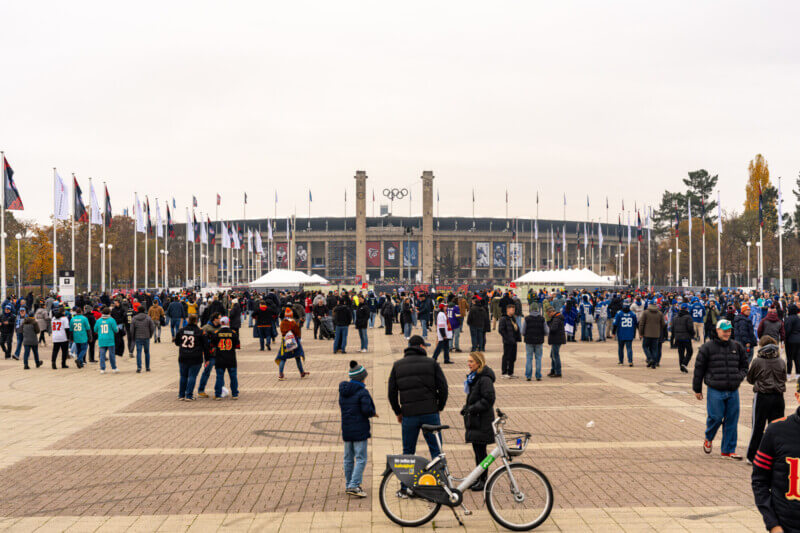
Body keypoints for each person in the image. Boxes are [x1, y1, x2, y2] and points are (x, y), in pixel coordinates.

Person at [693, 319, 748, 460]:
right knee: (716, 418)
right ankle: (709, 437)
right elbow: (699, 369)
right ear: (717, 331)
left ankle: (728, 450)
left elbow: (744, 365)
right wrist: (697, 389)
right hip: (715, 389)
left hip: (733, 389)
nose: (727, 333)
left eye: (729, 330)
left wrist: (739, 377)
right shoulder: (707, 348)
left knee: (731, 420)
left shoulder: (737, 346)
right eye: (724, 330)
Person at [388, 335, 448, 461]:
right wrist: (439, 407)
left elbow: (391, 393)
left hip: (409, 414)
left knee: (408, 452)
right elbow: (443, 388)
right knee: (436, 450)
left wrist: (398, 411)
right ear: (421, 346)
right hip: (430, 412)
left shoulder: (398, 365)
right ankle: (440, 478)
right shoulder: (432, 363)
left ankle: (407, 481)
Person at [751, 380, 800, 532]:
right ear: (798, 397)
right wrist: (773, 524)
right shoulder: (776, 431)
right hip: (788, 526)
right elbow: (759, 480)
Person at [746, 335, 787, 464]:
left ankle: (752, 456)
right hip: (778, 397)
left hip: (762, 396)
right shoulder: (781, 361)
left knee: (757, 427)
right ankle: (776, 456)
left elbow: (750, 378)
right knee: (777, 428)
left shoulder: (757, 361)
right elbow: (784, 377)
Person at [339, 360, 376, 498]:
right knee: (361, 458)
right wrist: (372, 412)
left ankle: (349, 484)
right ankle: (354, 485)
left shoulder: (343, 392)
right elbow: (366, 410)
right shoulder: (362, 392)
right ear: (361, 377)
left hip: (347, 428)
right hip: (360, 429)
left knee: (348, 458)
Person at [461, 351, 496, 492]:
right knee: (478, 451)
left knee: (481, 452)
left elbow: (488, 399)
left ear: (478, 363)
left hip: (482, 420)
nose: (468, 364)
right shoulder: (474, 377)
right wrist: (466, 408)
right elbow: (473, 397)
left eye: (471, 362)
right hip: (475, 419)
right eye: (468, 361)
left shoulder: (484, 379)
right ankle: (478, 477)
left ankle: (483, 479)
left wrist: (472, 409)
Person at [175, 314, 209, 400]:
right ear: (196, 321)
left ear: (188, 320)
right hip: (196, 357)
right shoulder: (200, 332)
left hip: (183, 356)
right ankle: (189, 395)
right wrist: (207, 358)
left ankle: (181, 395)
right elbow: (206, 346)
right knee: (192, 376)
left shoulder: (181, 330)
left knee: (183, 376)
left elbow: (177, 342)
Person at [210, 316, 240, 400]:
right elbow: (237, 346)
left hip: (220, 358)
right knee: (233, 376)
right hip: (231, 358)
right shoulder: (233, 333)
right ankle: (234, 394)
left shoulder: (217, 333)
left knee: (219, 377)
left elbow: (212, 345)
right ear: (227, 323)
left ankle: (218, 394)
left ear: (221, 323)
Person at [276, 308, 309, 380]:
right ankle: (302, 373)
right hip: (293, 340)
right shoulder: (292, 322)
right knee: (297, 356)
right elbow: (297, 330)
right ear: (291, 315)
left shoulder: (282, 322)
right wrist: (300, 323)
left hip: (284, 341)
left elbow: (282, 331)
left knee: (283, 358)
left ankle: (281, 375)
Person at [522, 303, 548, 381]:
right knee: (538, 358)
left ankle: (528, 376)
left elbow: (523, 331)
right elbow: (546, 331)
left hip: (529, 341)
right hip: (539, 341)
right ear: (537, 309)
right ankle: (538, 376)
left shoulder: (527, 318)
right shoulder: (542, 319)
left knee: (529, 358)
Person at [498, 304, 521, 378]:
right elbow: (501, 330)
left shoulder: (513, 318)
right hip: (507, 341)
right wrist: (507, 338)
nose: (513, 311)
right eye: (512, 310)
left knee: (513, 357)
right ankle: (504, 372)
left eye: (514, 310)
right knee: (506, 356)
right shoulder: (503, 318)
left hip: (514, 341)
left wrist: (517, 337)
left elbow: (516, 328)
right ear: (507, 310)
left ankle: (510, 372)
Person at [612, 300, 638, 367]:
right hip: (629, 333)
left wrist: (613, 332)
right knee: (629, 348)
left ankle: (621, 361)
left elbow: (615, 324)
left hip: (621, 333)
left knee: (620, 348)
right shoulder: (632, 314)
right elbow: (636, 324)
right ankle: (630, 361)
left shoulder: (619, 313)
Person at [94, 307, 119, 374]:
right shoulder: (111, 320)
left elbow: (95, 330)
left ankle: (102, 369)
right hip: (110, 339)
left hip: (101, 339)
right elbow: (116, 330)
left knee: (102, 355)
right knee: (112, 355)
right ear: (109, 313)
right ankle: (114, 368)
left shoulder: (98, 320)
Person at [639, 302, 664, 369]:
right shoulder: (659, 313)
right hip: (656, 334)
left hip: (647, 334)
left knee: (645, 346)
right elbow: (663, 324)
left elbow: (641, 324)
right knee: (654, 349)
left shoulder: (645, 313)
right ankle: (654, 363)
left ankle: (650, 358)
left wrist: (641, 333)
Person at [130, 307, 156, 373]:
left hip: (138, 337)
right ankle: (147, 367)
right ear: (144, 310)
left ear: (138, 311)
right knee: (147, 352)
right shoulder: (148, 318)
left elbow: (131, 329)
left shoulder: (134, 318)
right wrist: (150, 334)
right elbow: (152, 327)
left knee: (138, 352)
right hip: (146, 337)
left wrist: (133, 337)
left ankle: (139, 367)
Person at [672, 303, 695, 373]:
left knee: (681, 352)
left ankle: (681, 366)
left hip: (678, 337)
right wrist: (693, 334)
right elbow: (690, 327)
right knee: (690, 351)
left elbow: (673, 327)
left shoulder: (675, 317)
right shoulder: (688, 317)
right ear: (687, 309)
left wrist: (674, 336)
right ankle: (684, 364)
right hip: (686, 337)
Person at [547, 308, 566, 378]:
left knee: (555, 356)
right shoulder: (556, 317)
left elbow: (553, 329)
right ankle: (553, 370)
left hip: (556, 339)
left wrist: (549, 325)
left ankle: (558, 372)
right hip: (557, 339)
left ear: (551, 312)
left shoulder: (556, 319)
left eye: (548, 314)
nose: (548, 316)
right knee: (552, 355)